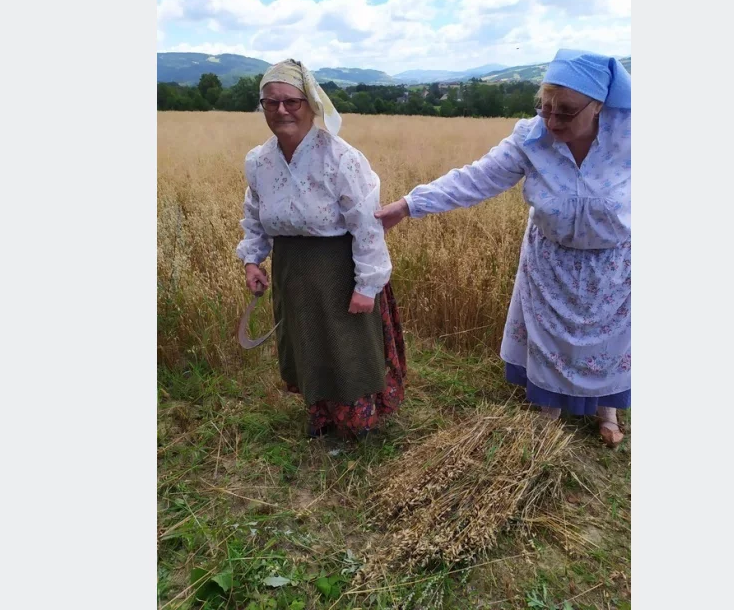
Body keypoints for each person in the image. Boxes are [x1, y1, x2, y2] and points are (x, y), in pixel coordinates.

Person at [375, 49, 630, 446]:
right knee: (551, 340)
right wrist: (408, 205)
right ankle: (547, 411)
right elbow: (476, 179)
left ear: (598, 105)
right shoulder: (531, 138)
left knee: (609, 340)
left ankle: (607, 410)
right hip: (551, 263)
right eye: (545, 108)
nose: (552, 121)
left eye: (565, 112)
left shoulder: (631, 136)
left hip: (614, 265)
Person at [236, 58, 406, 440]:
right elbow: (255, 215)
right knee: (307, 345)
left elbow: (367, 224)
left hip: (338, 270)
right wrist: (252, 259)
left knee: (347, 348)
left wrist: (367, 286)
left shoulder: (341, 158)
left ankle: (358, 427)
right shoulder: (259, 161)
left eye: (291, 101)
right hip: (291, 270)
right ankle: (322, 419)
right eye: (271, 102)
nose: (281, 110)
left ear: (311, 104)